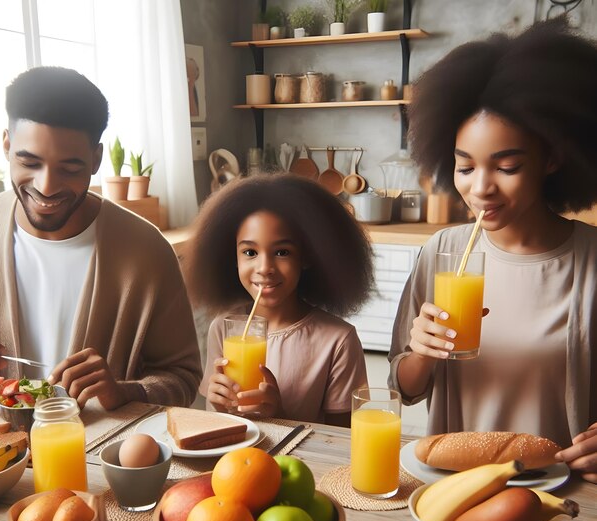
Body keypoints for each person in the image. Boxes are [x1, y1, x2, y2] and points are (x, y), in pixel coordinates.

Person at [387, 18, 597, 483]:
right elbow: (404, 389)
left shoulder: (590, 262)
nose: (481, 188)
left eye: (507, 166)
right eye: (464, 167)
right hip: (453, 490)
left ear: (554, 157)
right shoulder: (443, 250)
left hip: (562, 495)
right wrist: (422, 353)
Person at [0, 66, 202, 410]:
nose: (46, 186)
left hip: (97, 459)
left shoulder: (146, 250)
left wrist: (125, 391)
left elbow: (182, 378)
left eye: (69, 168)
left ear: (95, 159)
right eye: (29, 162)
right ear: (6, 145)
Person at [182, 173, 374, 426]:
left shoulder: (338, 341)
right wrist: (217, 403)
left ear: (306, 257)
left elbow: (342, 439)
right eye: (250, 252)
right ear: (233, 257)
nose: (265, 268)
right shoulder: (224, 328)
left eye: (282, 252)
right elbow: (218, 423)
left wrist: (279, 415)